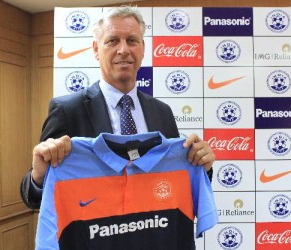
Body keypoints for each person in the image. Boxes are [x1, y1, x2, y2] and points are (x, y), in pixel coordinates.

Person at [20, 6, 215, 210]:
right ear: (96, 49)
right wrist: (38, 177)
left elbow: (178, 181)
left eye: (132, 40)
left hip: (152, 237)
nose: (124, 50)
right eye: (112, 41)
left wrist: (202, 166)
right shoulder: (67, 110)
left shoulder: (162, 111)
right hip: (95, 238)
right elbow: (31, 197)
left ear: (142, 48)